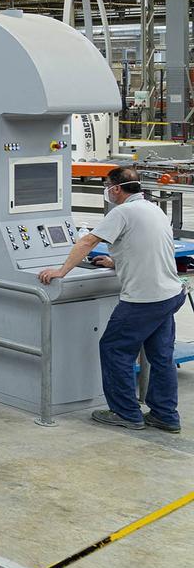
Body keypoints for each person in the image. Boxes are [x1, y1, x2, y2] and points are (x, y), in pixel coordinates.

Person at [38, 168, 184, 433]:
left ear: (117, 188)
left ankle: (126, 413)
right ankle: (165, 415)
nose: (106, 189)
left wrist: (61, 271)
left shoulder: (122, 212)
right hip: (171, 294)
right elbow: (145, 245)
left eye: (107, 185)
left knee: (114, 349)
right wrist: (116, 261)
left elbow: (87, 241)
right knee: (161, 356)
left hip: (144, 299)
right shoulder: (153, 209)